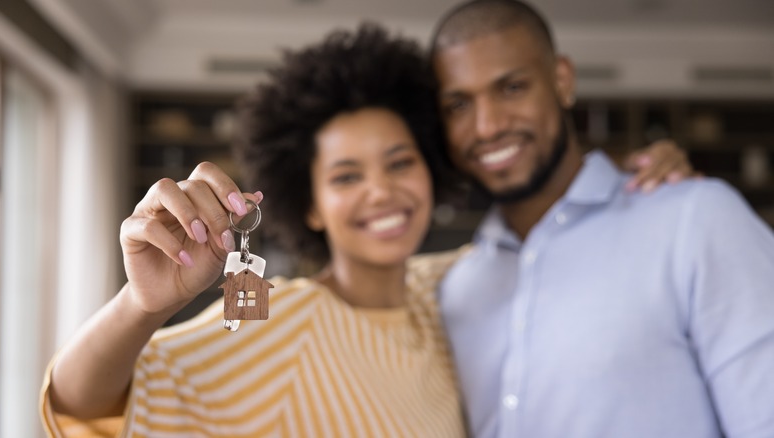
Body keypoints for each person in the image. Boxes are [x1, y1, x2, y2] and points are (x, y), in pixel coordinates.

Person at [40, 22, 693, 438]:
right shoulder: (279, 315)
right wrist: (141, 306)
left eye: (400, 162)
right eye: (347, 175)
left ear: (432, 175)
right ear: (311, 203)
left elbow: (562, 238)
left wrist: (634, 182)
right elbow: (83, 407)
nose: (381, 191)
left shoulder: (451, 283)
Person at [429, 1, 774, 437]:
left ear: (562, 81)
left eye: (512, 88)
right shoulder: (456, 291)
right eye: (458, 104)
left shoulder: (694, 221)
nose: (488, 126)